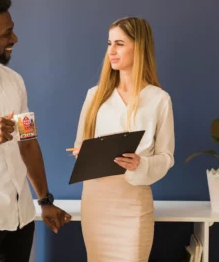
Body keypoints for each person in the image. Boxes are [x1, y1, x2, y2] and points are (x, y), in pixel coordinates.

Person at [0, 0, 71, 262]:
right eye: (6, 33)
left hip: (20, 217)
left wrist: (44, 201)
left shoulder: (15, 81)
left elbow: (28, 142)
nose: (15, 39)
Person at [73, 17, 175, 262]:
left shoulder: (159, 99)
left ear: (139, 47)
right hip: (96, 203)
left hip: (133, 204)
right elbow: (80, 143)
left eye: (119, 43)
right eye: (109, 43)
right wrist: (82, 153)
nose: (111, 51)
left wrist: (142, 163)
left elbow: (166, 157)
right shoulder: (94, 96)